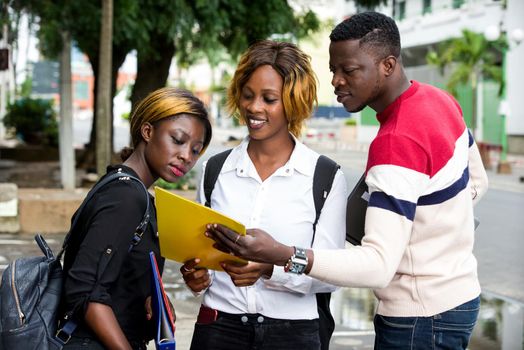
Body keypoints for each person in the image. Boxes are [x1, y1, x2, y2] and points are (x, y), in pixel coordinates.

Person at [207, 12, 489, 349]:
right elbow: (476, 182)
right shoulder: (439, 100)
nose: (337, 81)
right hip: (459, 299)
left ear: (387, 65)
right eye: (334, 71)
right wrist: (433, 231)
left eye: (350, 70)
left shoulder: (395, 142)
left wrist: (283, 253)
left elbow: (378, 267)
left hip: (418, 317)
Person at [180, 40, 347, 350]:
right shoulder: (216, 169)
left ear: (294, 102)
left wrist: (271, 270)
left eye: (269, 99)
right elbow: (200, 254)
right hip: (218, 327)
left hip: (293, 334)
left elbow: (331, 274)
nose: (254, 108)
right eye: (248, 95)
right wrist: (196, 275)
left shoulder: (324, 177)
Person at [60, 87, 212, 349]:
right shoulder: (127, 196)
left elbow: (114, 278)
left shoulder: (128, 190)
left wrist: (155, 300)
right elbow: (84, 289)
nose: (187, 156)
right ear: (147, 131)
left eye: (196, 150)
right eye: (177, 140)